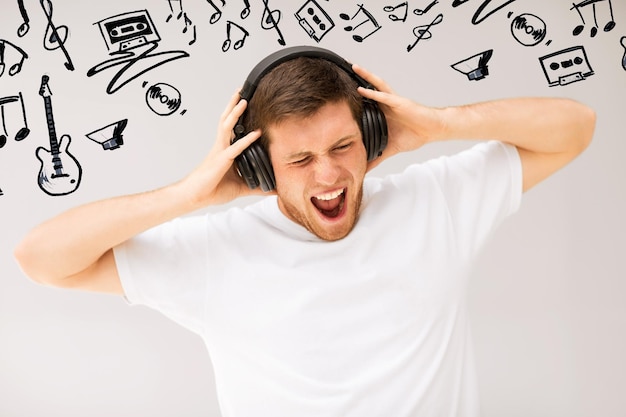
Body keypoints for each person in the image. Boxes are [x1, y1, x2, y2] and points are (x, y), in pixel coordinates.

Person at [14, 47, 595, 416]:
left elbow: (576, 128)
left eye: (343, 146)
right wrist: (190, 193)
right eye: (298, 160)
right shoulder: (216, 252)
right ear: (262, 165)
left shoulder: (436, 201)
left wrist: (442, 125)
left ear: (369, 137)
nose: (328, 174)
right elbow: (41, 258)